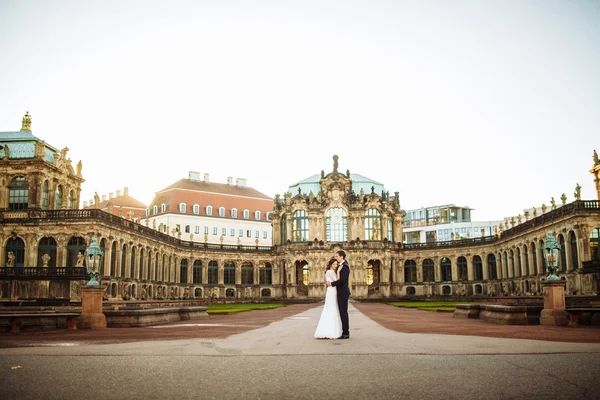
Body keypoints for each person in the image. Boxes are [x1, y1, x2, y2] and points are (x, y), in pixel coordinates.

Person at [314, 258, 343, 339]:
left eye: (336, 264)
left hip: (331, 290)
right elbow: (338, 281)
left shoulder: (329, 272)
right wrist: (338, 272)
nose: (335, 265)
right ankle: (331, 331)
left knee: (330, 309)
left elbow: (333, 282)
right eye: (334, 264)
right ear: (330, 264)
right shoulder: (330, 271)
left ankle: (327, 330)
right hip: (332, 291)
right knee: (332, 309)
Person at [328, 250, 351, 339]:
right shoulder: (340, 267)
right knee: (342, 312)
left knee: (343, 312)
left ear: (342, 257)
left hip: (343, 292)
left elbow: (342, 280)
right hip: (340, 292)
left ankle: (346, 333)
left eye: (337, 256)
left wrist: (331, 284)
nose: (335, 258)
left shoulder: (345, 266)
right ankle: (344, 331)